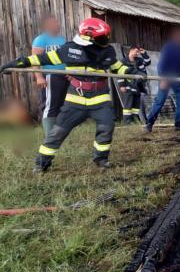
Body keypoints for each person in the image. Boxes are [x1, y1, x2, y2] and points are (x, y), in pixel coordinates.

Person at [0, 18, 132, 171]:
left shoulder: (107, 51)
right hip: (75, 100)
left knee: (107, 127)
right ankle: (41, 163)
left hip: (100, 98)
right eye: (103, 37)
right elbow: (41, 58)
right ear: (88, 36)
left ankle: (101, 159)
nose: (106, 40)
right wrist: (18, 63)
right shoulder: (69, 49)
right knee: (58, 132)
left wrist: (130, 72)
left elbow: (117, 67)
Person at [144, 27, 180, 132]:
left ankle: (179, 125)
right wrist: (163, 78)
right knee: (160, 101)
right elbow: (162, 63)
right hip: (166, 77)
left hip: (178, 79)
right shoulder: (168, 47)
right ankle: (149, 123)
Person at [31, 15, 67, 136]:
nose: (57, 24)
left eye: (57, 22)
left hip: (65, 76)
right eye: (54, 22)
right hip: (50, 76)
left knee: (61, 105)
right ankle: (49, 136)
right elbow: (34, 60)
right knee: (50, 105)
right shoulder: (41, 39)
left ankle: (58, 133)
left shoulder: (62, 39)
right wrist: (39, 77)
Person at [117, 46, 150, 124]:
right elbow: (119, 74)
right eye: (136, 51)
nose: (137, 53)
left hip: (139, 85)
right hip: (128, 85)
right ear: (131, 51)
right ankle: (127, 121)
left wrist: (144, 53)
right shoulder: (123, 61)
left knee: (136, 103)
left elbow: (148, 62)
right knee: (128, 103)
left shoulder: (139, 60)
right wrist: (121, 85)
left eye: (138, 52)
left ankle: (135, 119)